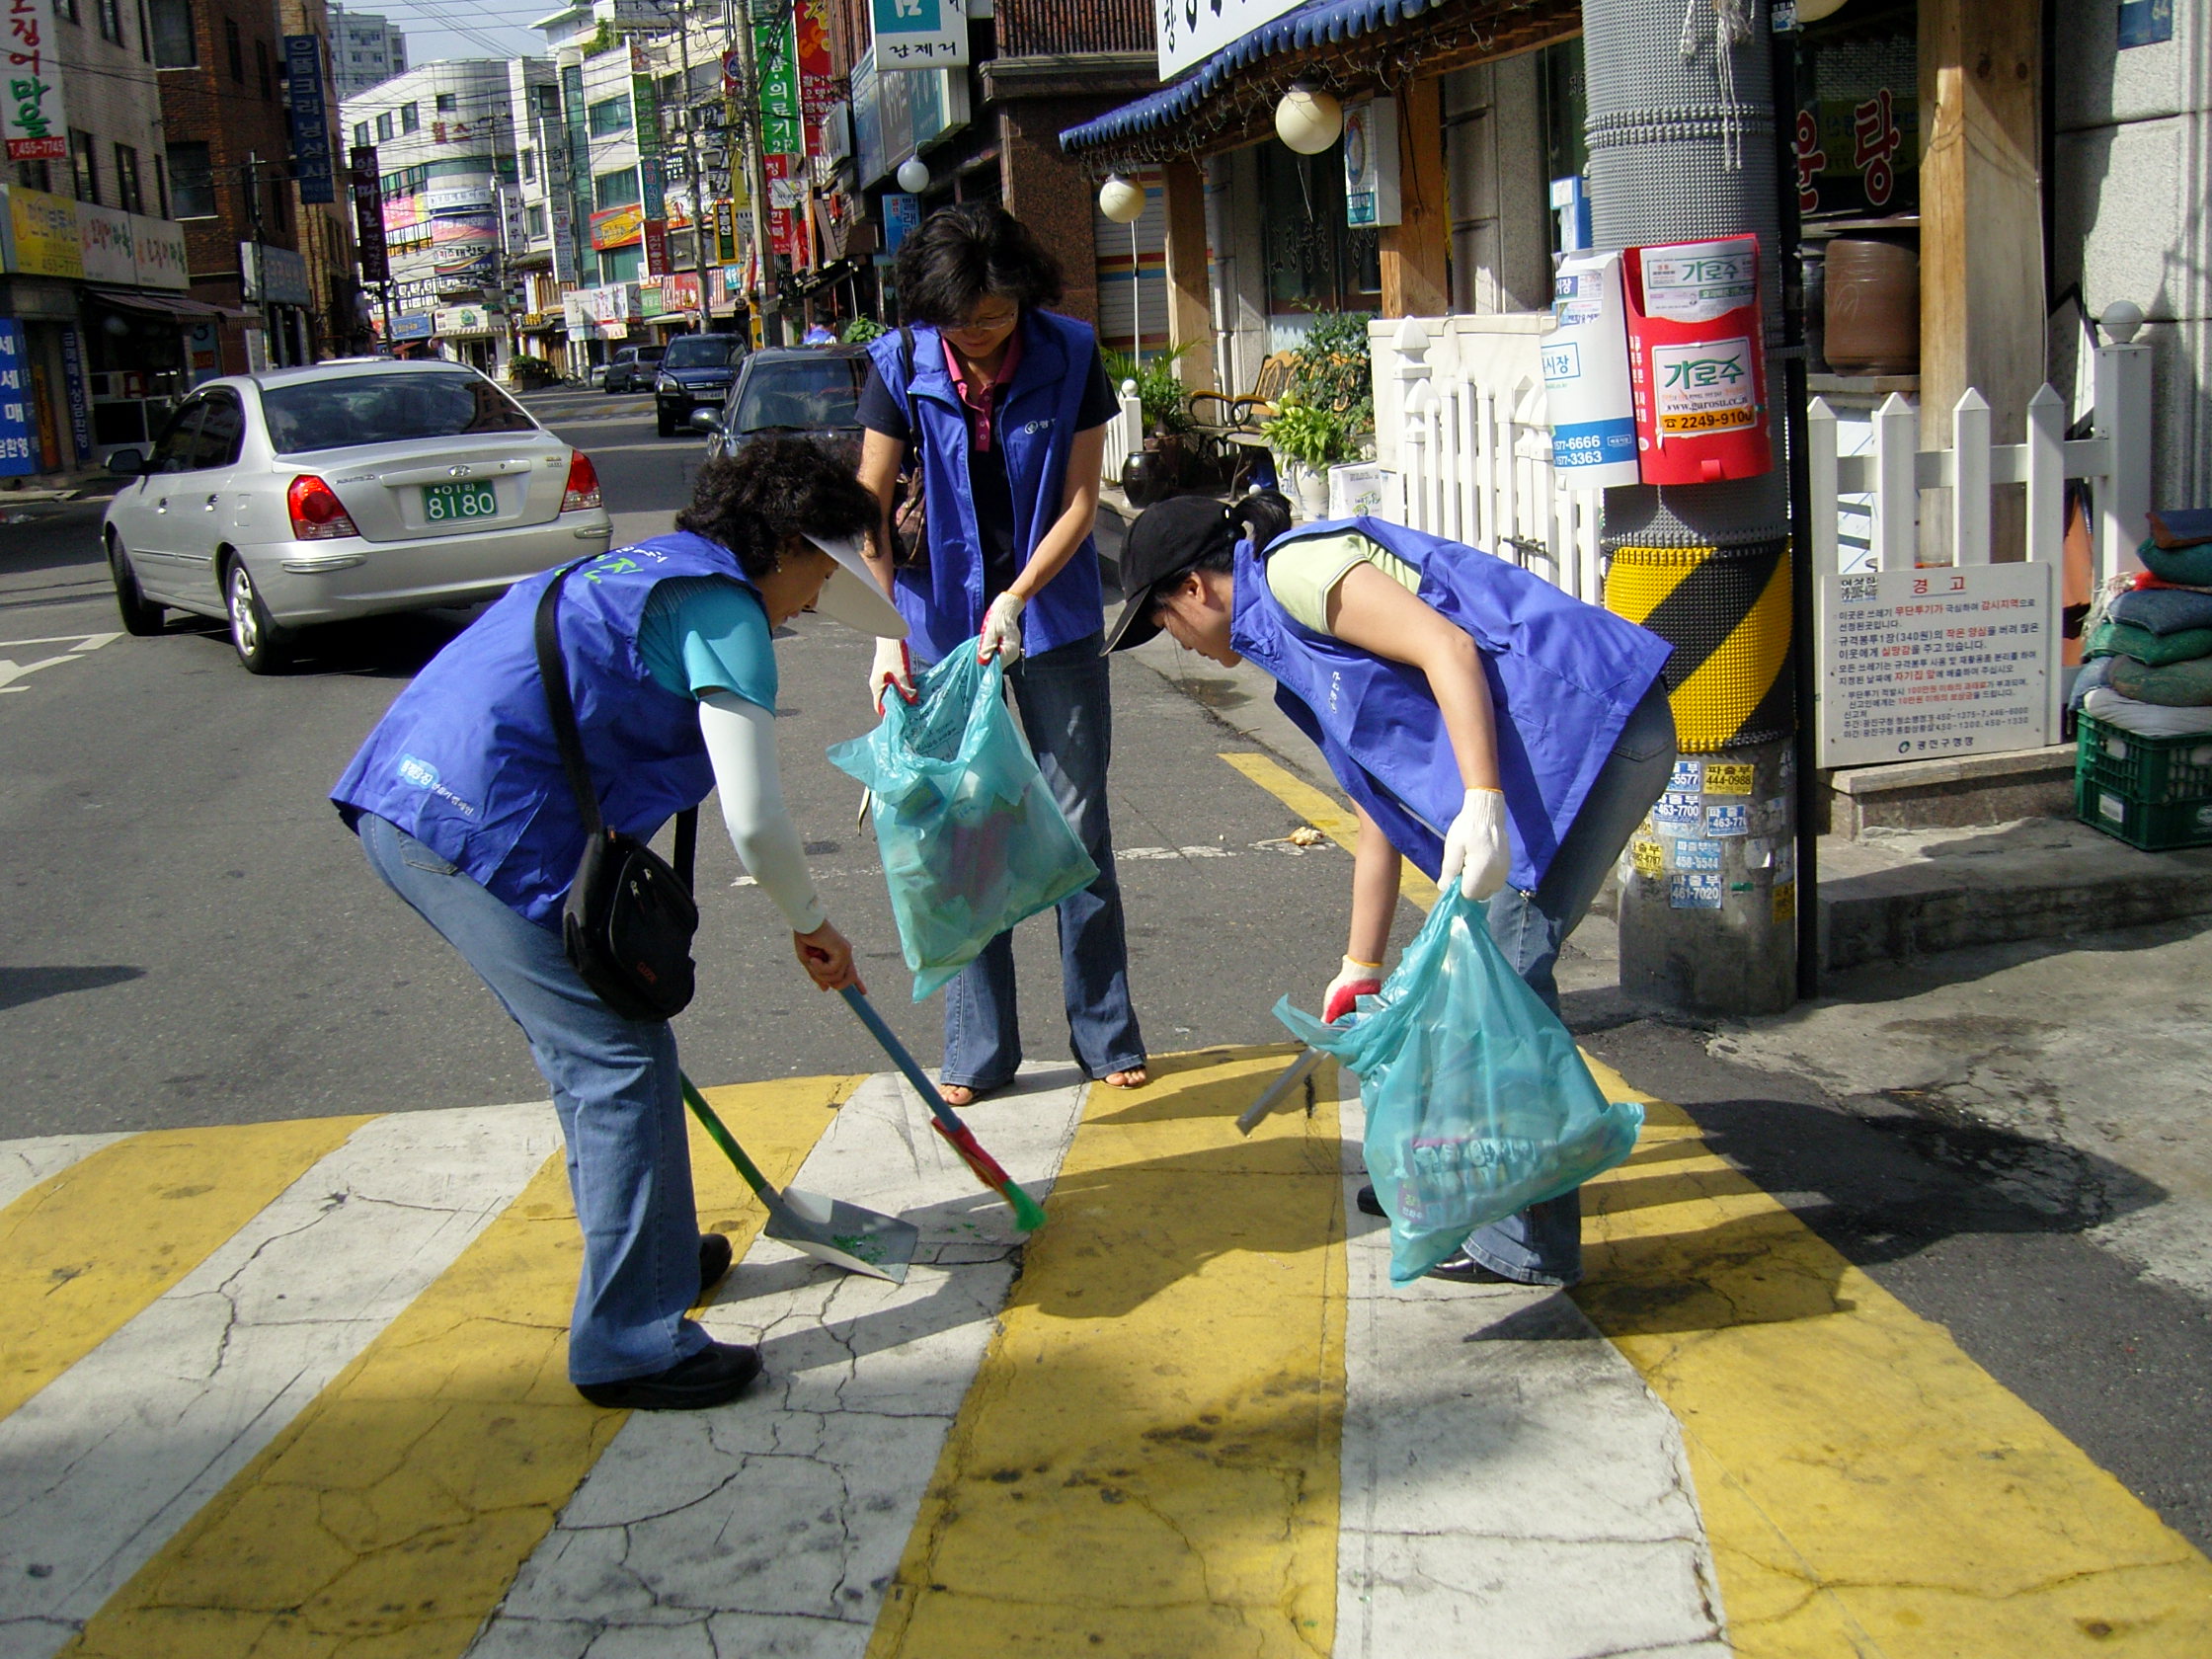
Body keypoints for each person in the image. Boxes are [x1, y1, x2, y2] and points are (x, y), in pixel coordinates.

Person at [331, 439, 905, 1410]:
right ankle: (630, 1342)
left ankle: (660, 1258)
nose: (815, 600)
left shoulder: (646, 565)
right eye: (819, 571)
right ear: (783, 545)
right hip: (466, 828)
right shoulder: (724, 611)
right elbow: (755, 818)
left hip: (413, 795)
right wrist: (811, 924)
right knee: (617, 1061)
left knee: (604, 1048)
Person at [1104, 493, 1678, 1288]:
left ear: (1195, 589)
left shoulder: (1296, 571)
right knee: (1447, 980)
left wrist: (1481, 802)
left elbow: (1447, 649)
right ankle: (1460, 1185)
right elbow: (1379, 798)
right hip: (1544, 762)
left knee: (1502, 980)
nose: (1173, 642)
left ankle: (1524, 1242)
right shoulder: (1281, 644)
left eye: (1162, 621)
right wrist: (1360, 964)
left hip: (1593, 733)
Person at [853, 203, 1146, 1106]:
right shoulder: (899, 365)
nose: (978, 336)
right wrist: (883, 635)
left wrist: (1017, 597)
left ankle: (1106, 1033)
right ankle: (978, 1051)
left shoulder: (1069, 351)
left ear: (1023, 294)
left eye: (994, 315)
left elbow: (1081, 498)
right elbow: (865, 506)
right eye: (961, 321)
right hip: (937, 625)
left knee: (1076, 826)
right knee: (963, 836)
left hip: (1051, 615)